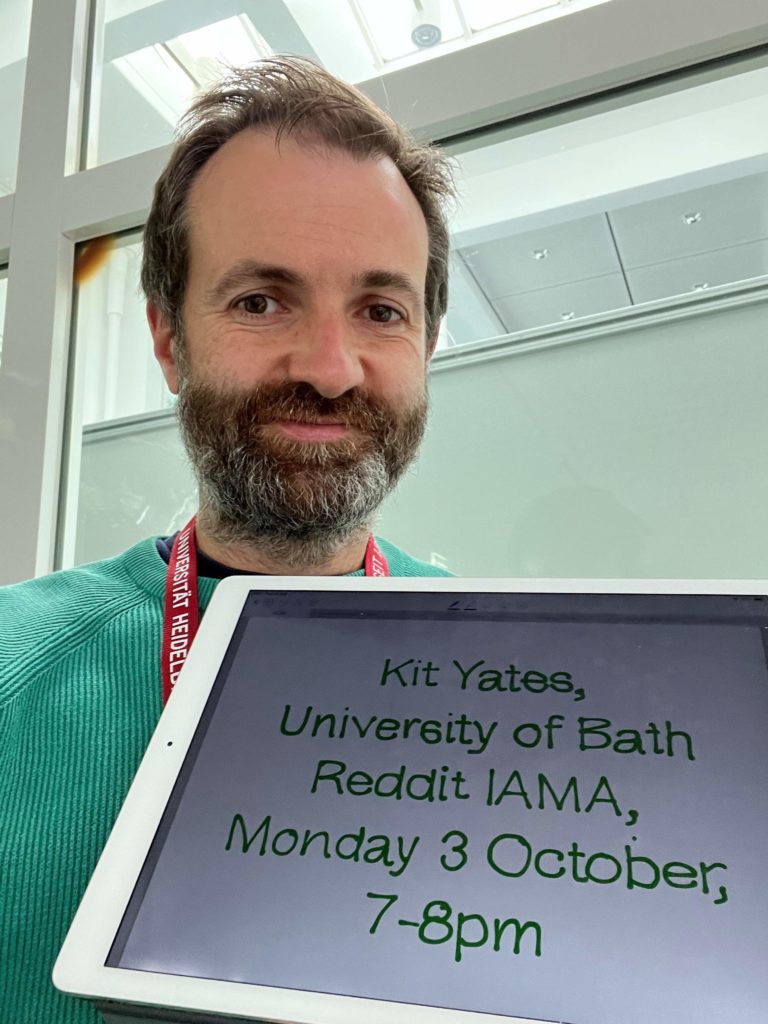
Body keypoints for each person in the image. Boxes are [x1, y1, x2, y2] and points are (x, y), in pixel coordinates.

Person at [0, 57, 456, 1023]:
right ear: (170, 340)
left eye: (380, 310)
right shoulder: (14, 665)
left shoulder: (519, 661)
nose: (331, 369)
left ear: (426, 342)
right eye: (261, 301)